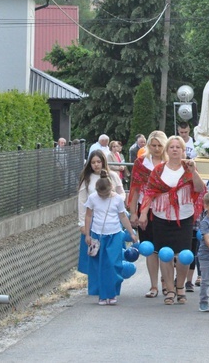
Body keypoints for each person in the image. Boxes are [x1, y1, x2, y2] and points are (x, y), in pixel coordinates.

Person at [138, 136, 205, 305]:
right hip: (161, 217)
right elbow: (149, 193)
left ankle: (180, 286)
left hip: (184, 217)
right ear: (167, 151)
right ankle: (169, 289)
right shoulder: (159, 170)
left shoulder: (188, 169)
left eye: (178, 147)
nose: (175, 150)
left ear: (183, 151)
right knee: (165, 254)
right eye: (172, 147)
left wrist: (194, 171)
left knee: (183, 255)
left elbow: (199, 188)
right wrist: (143, 214)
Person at [84, 169, 138, 305]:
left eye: (105, 194)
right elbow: (88, 215)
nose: (102, 196)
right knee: (100, 265)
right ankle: (102, 295)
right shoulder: (92, 198)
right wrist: (87, 234)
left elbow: (123, 216)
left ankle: (112, 293)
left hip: (114, 234)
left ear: (111, 189)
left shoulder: (117, 199)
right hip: (98, 234)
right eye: (100, 194)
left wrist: (131, 232)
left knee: (114, 264)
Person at [127, 130, 168, 299]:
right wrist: (133, 212)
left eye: (160, 145)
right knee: (150, 248)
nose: (157, 148)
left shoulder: (170, 163)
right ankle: (153, 285)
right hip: (145, 207)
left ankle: (167, 283)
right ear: (149, 145)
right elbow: (135, 188)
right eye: (154, 145)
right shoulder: (140, 163)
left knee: (165, 248)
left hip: (166, 209)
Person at [77, 150, 125, 275]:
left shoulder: (113, 176)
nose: (96, 165)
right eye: (93, 162)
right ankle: (96, 283)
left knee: (112, 254)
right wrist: (82, 223)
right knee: (95, 253)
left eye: (98, 161)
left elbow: (121, 192)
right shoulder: (87, 180)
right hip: (93, 220)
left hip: (111, 219)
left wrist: (118, 202)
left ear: (103, 162)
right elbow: (82, 202)